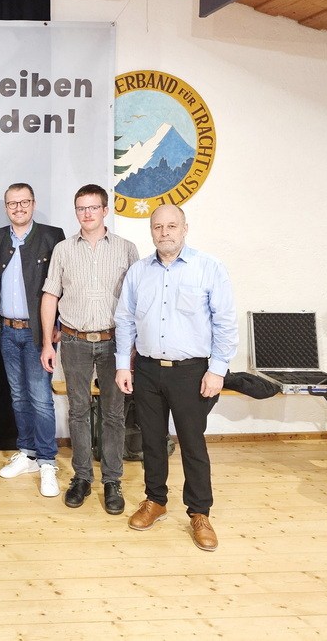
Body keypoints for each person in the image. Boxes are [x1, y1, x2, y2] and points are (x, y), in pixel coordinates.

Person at [114, 204, 238, 552]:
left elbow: (225, 321)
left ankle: (199, 513)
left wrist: (217, 369)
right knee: (151, 441)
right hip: (147, 369)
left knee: (192, 444)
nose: (164, 232)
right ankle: (155, 501)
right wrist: (123, 365)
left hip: (192, 373)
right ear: (151, 232)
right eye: (158, 227)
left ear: (185, 228)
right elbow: (124, 319)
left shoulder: (209, 267)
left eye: (171, 226)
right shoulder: (139, 272)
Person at [40, 184, 138, 515]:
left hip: (114, 342)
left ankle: (112, 480)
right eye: (81, 208)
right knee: (78, 412)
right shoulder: (63, 249)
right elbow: (50, 295)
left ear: (105, 210)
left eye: (93, 207)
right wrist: (47, 342)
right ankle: (81, 477)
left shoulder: (126, 249)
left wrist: (133, 347)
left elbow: (136, 300)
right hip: (73, 340)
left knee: (113, 413)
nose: (87, 213)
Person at [0, 182, 64, 497]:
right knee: (18, 396)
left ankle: (47, 461)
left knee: (41, 398)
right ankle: (28, 453)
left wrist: (58, 325)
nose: (18, 208)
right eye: (12, 203)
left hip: (37, 332)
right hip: (6, 330)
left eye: (24, 202)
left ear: (33, 203)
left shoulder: (52, 236)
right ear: (6, 207)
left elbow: (64, 283)